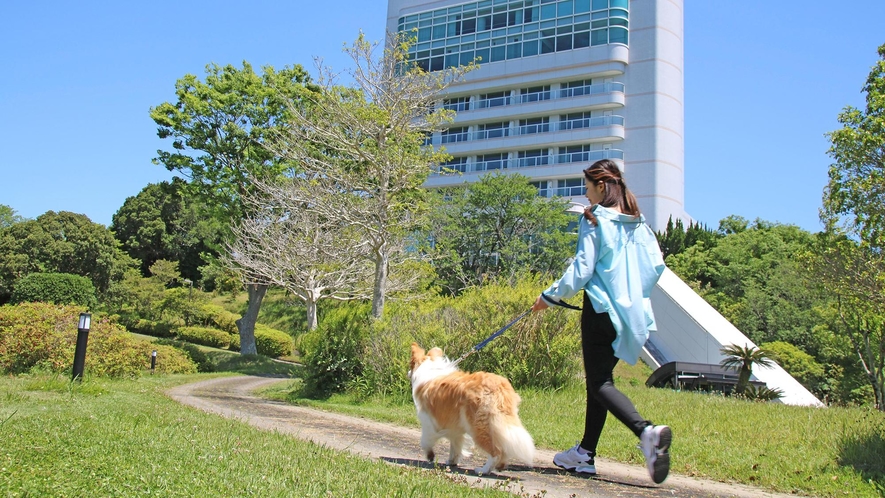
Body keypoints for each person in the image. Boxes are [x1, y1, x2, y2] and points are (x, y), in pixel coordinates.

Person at [531, 159, 671, 484]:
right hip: (627, 314)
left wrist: (549, 296)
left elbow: (581, 271)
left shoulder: (594, 219)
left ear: (602, 187)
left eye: (589, 186)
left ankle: (646, 431)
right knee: (599, 382)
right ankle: (585, 454)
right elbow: (656, 267)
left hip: (599, 311)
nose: (585, 192)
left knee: (600, 384)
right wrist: (629, 293)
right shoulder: (638, 223)